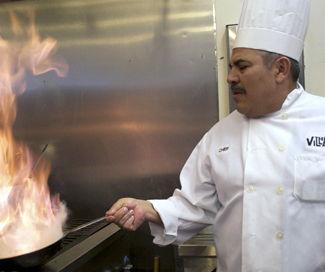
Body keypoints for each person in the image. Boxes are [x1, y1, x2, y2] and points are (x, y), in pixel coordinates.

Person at [106, 0, 325, 271]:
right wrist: (147, 208)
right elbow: (193, 206)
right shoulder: (219, 136)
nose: (230, 77)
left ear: (280, 69)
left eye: (242, 67)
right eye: (231, 66)